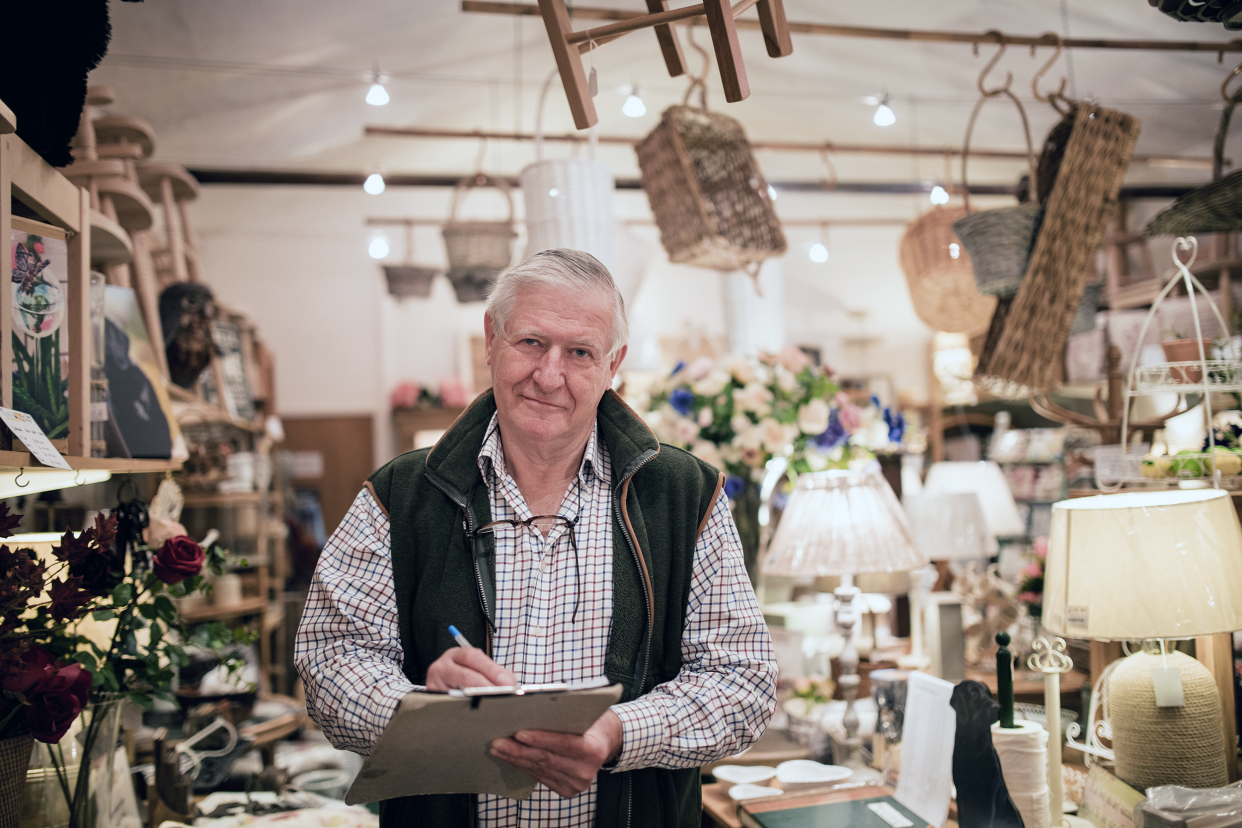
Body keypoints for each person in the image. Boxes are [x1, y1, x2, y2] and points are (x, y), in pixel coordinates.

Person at [295, 248, 776, 828]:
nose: (549, 376)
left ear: (612, 364)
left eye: (580, 352)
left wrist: (618, 732)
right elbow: (330, 661)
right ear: (492, 338)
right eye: (531, 343)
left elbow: (743, 682)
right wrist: (420, 710)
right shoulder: (400, 495)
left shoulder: (685, 494)